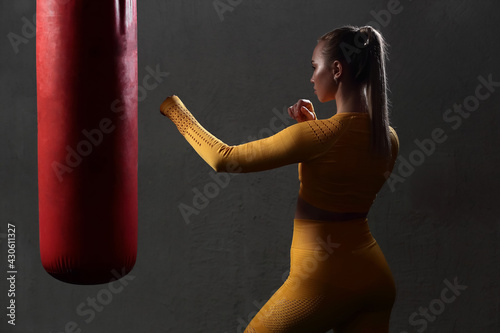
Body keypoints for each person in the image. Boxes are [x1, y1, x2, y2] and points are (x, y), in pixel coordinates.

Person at [160, 25, 399, 333]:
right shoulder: (388, 138)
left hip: (324, 279)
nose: (312, 77)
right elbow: (342, 176)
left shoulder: (317, 137)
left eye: (316, 67)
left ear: (337, 69)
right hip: (374, 278)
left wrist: (173, 108)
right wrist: (311, 130)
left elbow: (225, 159)